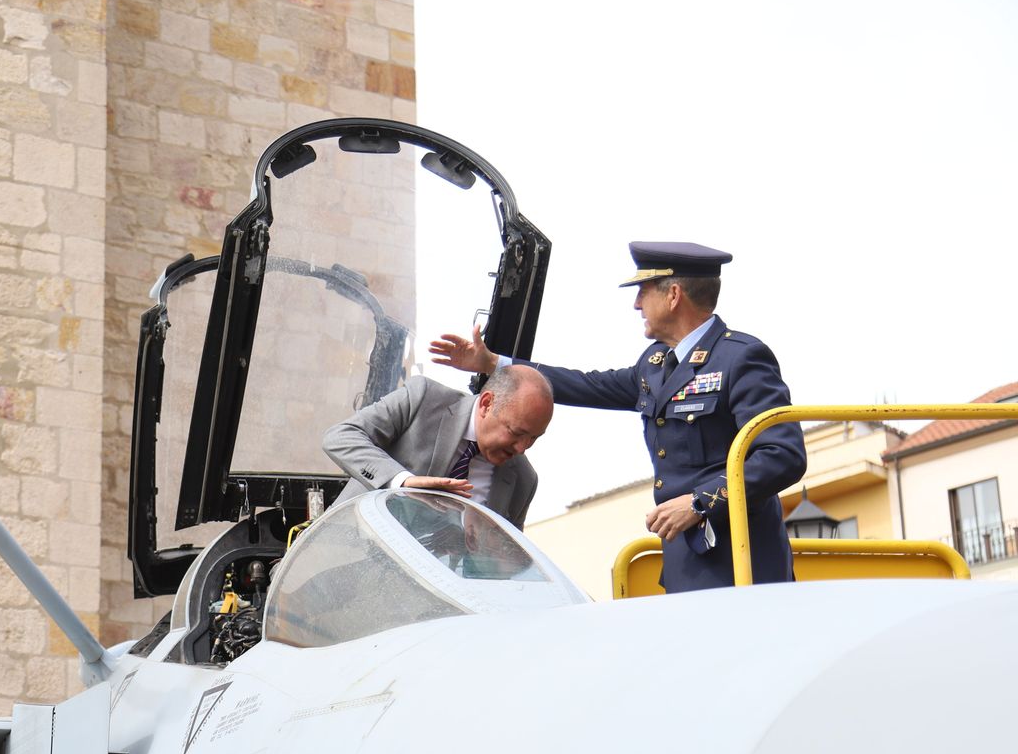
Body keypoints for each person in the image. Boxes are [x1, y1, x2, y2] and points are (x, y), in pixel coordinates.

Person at [432, 241, 806, 592]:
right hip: (687, 561)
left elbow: (783, 455)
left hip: (744, 564)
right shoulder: (656, 364)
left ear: (673, 295)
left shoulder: (740, 358)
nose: (637, 304)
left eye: (644, 291)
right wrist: (495, 364)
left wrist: (698, 501)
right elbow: (586, 385)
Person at [322, 364, 554, 529]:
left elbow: (507, 568)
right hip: (344, 565)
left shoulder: (524, 481)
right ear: (486, 404)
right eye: (517, 432)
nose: (522, 448)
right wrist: (404, 482)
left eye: (534, 438)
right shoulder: (423, 398)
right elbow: (341, 436)